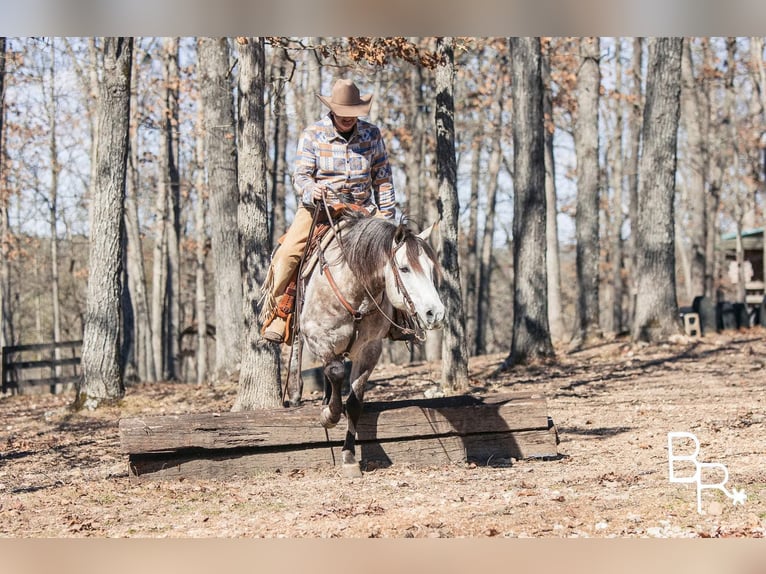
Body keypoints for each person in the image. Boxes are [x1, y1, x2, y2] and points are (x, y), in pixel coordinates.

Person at [259, 78, 397, 343]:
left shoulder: (372, 134)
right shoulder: (313, 134)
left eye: (352, 113)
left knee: (400, 253)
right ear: (333, 109)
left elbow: (383, 178)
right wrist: (313, 190)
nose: (348, 118)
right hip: (320, 210)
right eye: (343, 113)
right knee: (287, 254)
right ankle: (280, 313)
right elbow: (300, 176)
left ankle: (400, 319)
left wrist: (388, 216)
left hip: (362, 211)